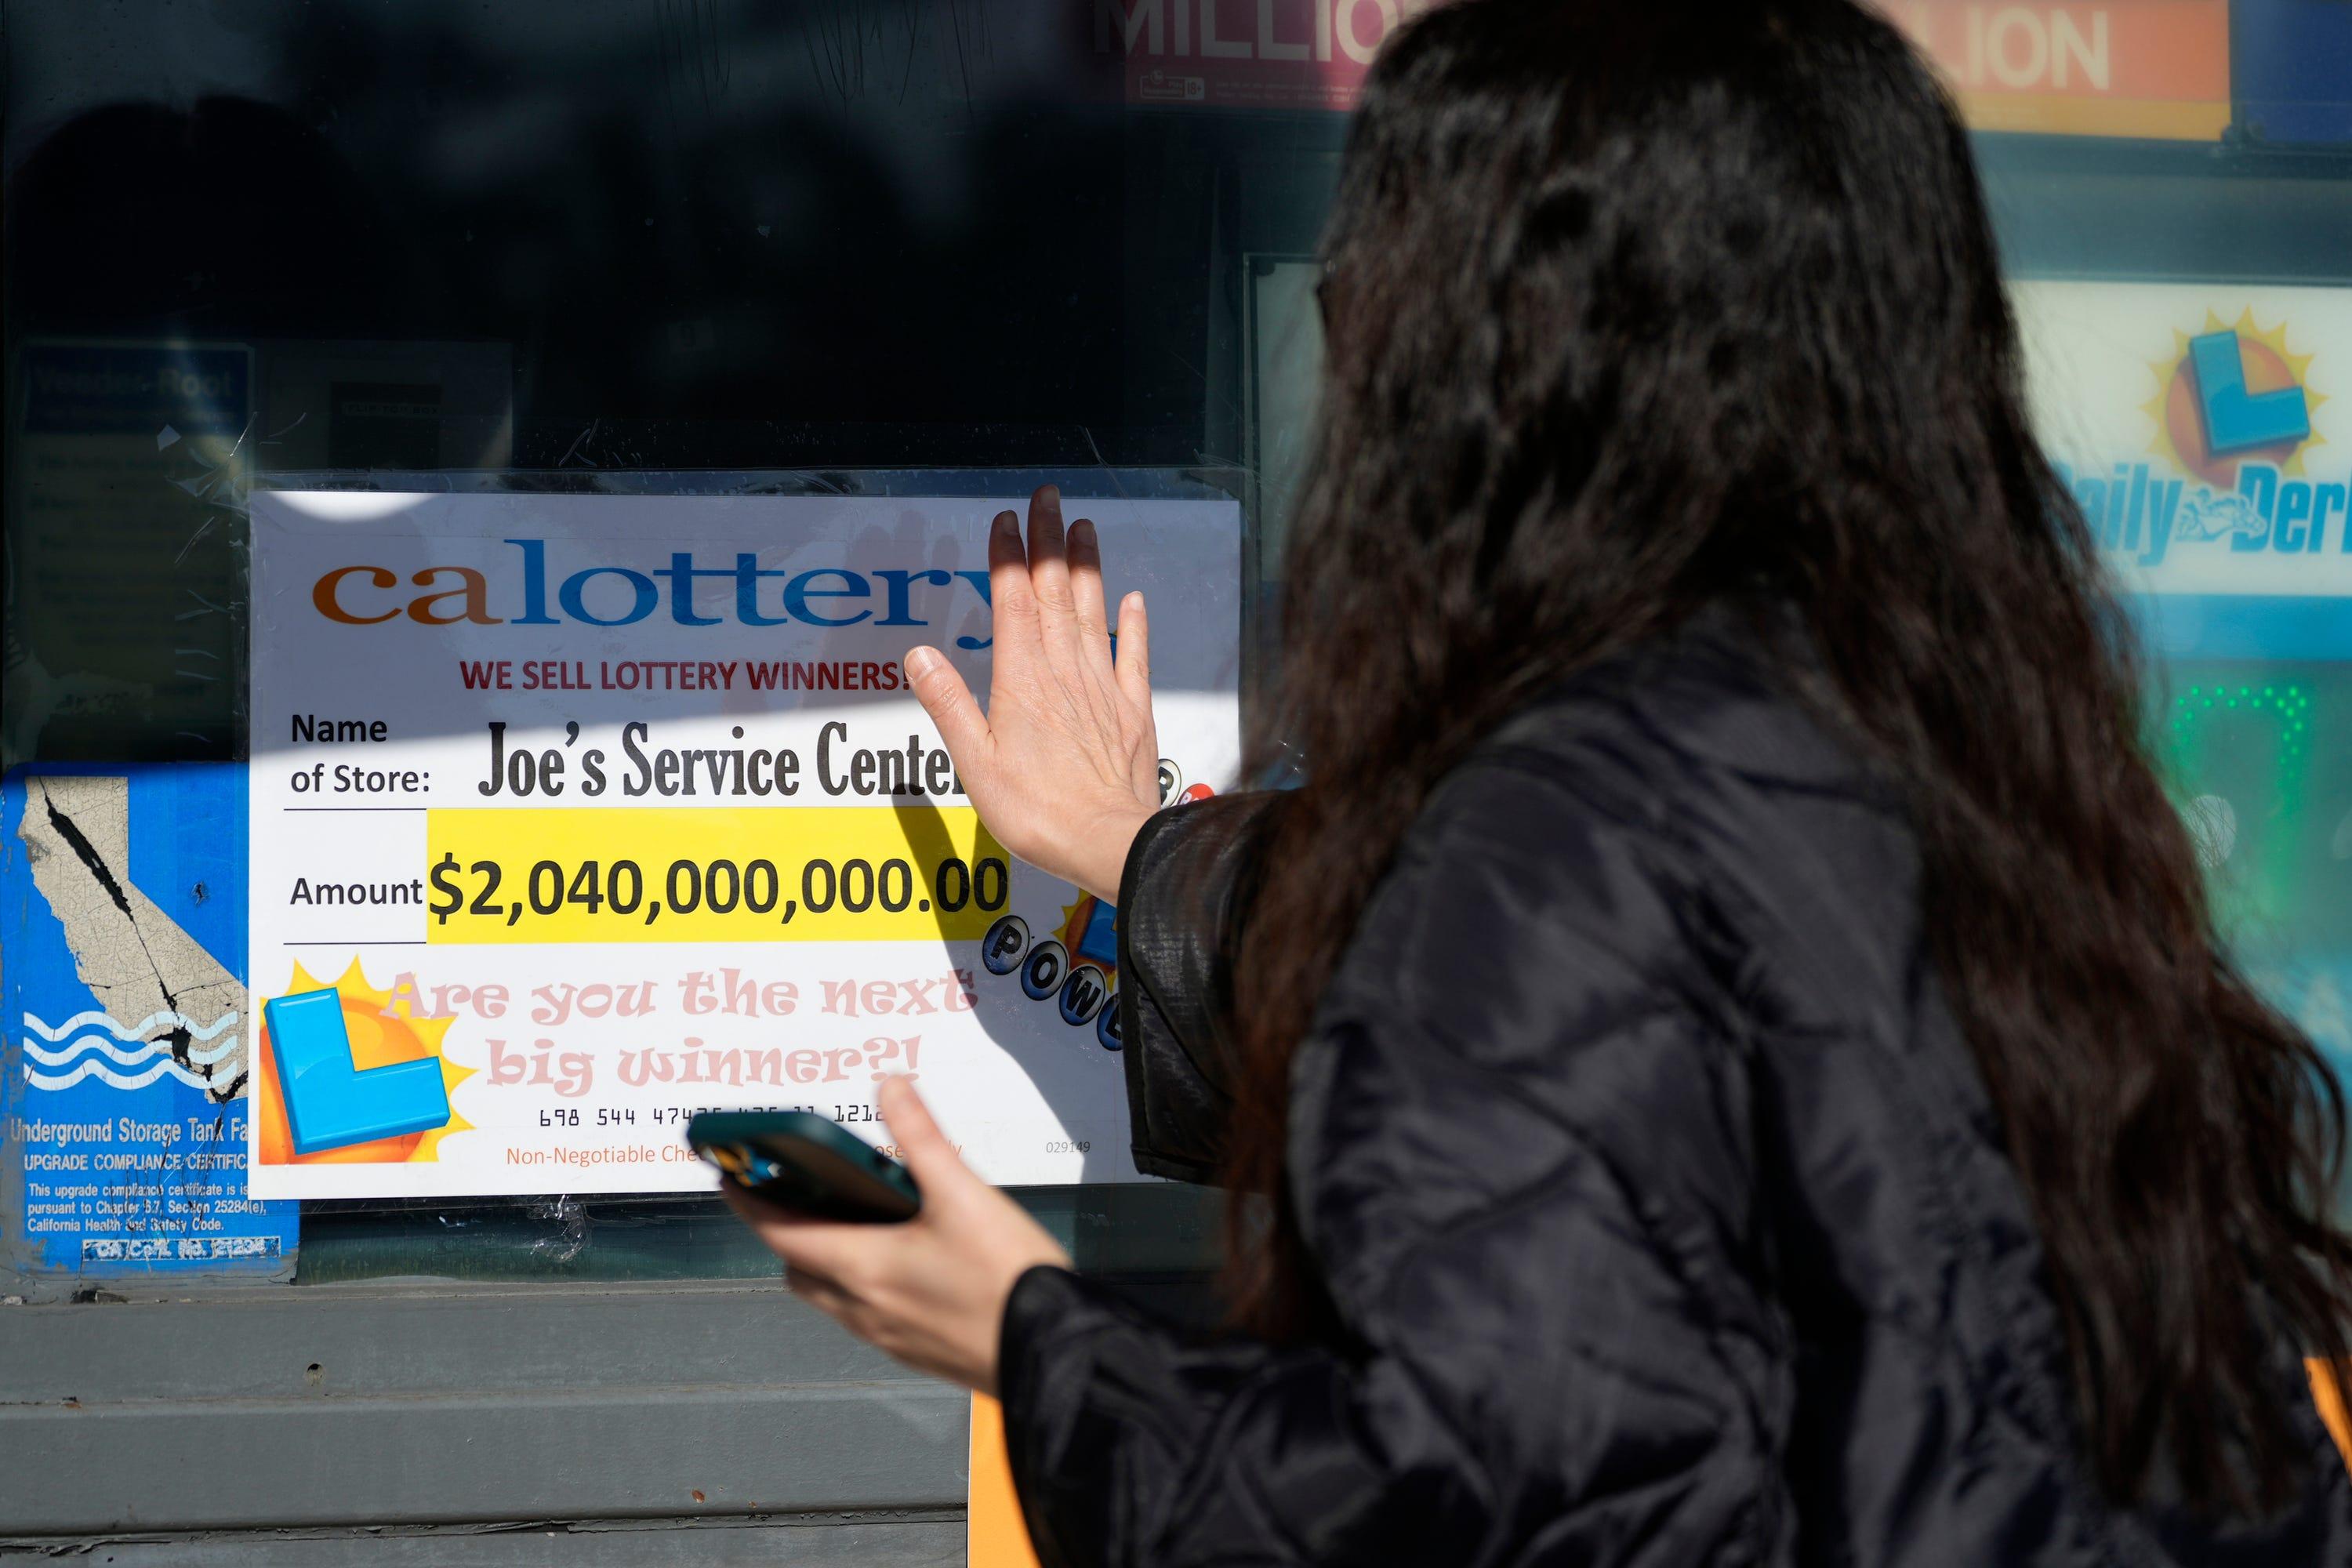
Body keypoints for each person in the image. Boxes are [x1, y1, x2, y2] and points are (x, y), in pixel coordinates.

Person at [720, 1, 2352, 1561]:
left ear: (1497, 375)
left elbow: (1467, 1503)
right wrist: (1151, 853)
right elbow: (1644, 1024)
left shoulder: (1553, 825)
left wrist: (1026, 1331)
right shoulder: (1977, 769)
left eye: (1371, 296)